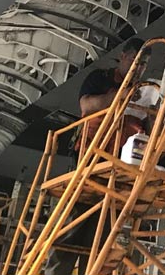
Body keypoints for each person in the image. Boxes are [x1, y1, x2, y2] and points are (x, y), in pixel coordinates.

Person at [44, 38, 152, 275]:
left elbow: (148, 129)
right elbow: (87, 106)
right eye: (134, 60)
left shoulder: (145, 91)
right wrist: (119, 97)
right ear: (123, 56)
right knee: (74, 223)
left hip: (120, 167)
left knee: (103, 232)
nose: (138, 67)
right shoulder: (100, 79)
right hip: (91, 158)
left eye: (143, 64)